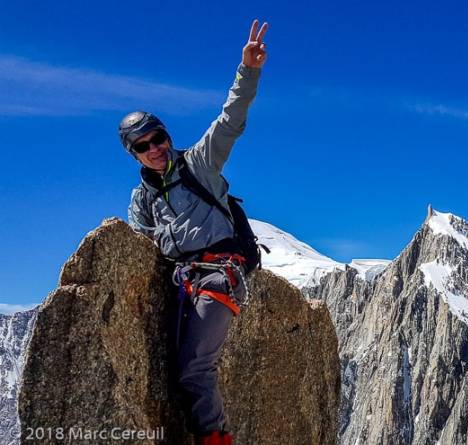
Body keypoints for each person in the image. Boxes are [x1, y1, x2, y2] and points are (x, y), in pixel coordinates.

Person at [119, 19, 268, 445]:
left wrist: (248, 70)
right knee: (175, 368)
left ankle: (215, 438)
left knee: (194, 368)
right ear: (133, 154)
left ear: (167, 136)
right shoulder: (142, 200)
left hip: (219, 275)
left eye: (158, 138)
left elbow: (230, 120)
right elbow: (141, 244)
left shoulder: (199, 164)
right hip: (182, 282)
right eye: (143, 146)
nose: (154, 149)